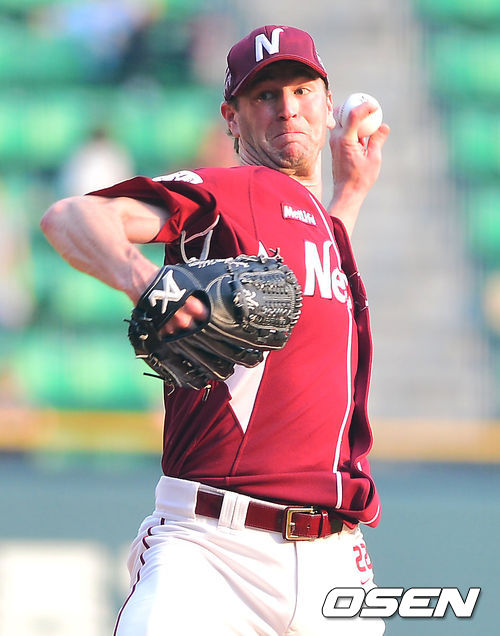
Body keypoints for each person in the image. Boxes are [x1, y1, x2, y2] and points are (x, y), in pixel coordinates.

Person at [41, 24, 390, 636]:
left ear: (328, 102)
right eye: (265, 95)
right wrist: (147, 284)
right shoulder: (228, 192)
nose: (287, 108)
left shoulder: (326, 228)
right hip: (212, 550)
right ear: (232, 117)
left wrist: (351, 194)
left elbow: (308, 280)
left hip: (337, 561)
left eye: (302, 90)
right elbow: (72, 215)